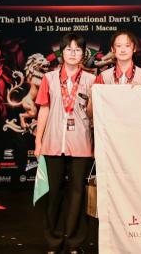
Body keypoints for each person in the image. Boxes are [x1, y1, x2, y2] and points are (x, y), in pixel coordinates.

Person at [34, 32, 96, 254]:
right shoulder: (49, 78)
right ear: (62, 52)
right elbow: (44, 109)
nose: (72, 53)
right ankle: (53, 241)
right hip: (53, 143)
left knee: (78, 194)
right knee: (53, 194)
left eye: (77, 49)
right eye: (69, 49)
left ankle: (74, 243)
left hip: (81, 143)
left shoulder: (91, 80)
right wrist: (38, 141)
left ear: (83, 54)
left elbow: (93, 114)